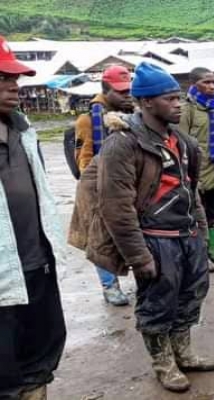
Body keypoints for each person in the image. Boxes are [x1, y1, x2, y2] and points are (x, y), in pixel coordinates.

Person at [86, 62, 214, 392]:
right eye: (169, 99)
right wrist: (138, 255)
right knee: (158, 303)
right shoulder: (123, 145)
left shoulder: (184, 142)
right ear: (146, 102)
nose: (178, 105)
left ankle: (183, 352)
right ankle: (163, 362)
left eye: (178, 98)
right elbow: (116, 207)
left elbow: (192, 194)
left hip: (186, 235)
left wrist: (201, 236)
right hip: (155, 240)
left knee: (191, 296)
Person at [0, 37, 67, 400]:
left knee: (40, 354)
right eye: (2, 79)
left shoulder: (24, 132)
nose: (14, 86)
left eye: (15, 78)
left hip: (35, 265)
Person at [73, 64, 135, 306]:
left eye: (128, 90)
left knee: (129, 234)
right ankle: (109, 286)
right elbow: (84, 160)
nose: (126, 95)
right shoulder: (88, 120)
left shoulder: (131, 115)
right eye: (120, 91)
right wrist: (100, 187)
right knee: (101, 239)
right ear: (106, 90)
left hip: (126, 185)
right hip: (97, 186)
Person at [179, 67, 214, 272]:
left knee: (212, 214)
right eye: (206, 82)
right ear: (194, 84)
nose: (212, 86)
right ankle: (200, 256)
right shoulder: (187, 110)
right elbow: (180, 142)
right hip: (198, 172)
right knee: (197, 216)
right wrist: (188, 174)